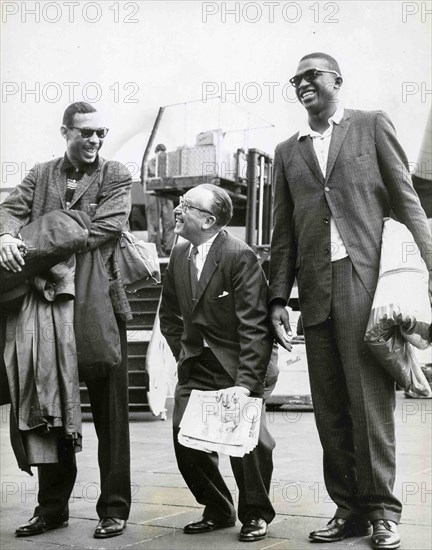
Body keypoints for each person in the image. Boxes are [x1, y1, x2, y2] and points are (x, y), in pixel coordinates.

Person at [269, 53, 432, 550]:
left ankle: (382, 512)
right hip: (314, 290)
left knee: (369, 405)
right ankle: (349, 509)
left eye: (312, 75)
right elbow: (283, 233)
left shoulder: (371, 125)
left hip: (364, 281)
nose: (302, 84)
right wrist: (279, 297)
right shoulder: (286, 151)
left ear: (337, 80)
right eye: (296, 79)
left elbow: (407, 200)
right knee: (330, 410)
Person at [0, 101, 132, 539]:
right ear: (65, 132)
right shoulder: (41, 173)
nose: (95, 140)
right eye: (86, 133)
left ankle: (113, 507)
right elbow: (9, 210)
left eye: (101, 133)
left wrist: (34, 243)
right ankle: (51, 507)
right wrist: (5, 234)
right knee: (48, 402)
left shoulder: (115, 174)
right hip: (47, 310)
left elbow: (103, 228)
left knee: (112, 411)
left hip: (96, 305)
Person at [159, 184, 278, 542]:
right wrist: (185, 351)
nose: (177, 211)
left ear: (209, 220)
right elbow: (169, 316)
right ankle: (218, 508)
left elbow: (255, 328)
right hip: (197, 363)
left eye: (186, 206)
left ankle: (256, 514)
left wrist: (244, 384)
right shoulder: (179, 254)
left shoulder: (239, 255)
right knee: (186, 438)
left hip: (239, 363)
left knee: (249, 444)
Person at [144, 143, 175, 257]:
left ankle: (168, 248)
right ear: (156, 152)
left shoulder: (169, 163)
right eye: (160, 152)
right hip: (153, 193)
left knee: (169, 221)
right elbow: (145, 179)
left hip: (166, 193)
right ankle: (154, 249)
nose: (162, 154)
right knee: (154, 223)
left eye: (163, 152)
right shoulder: (149, 163)